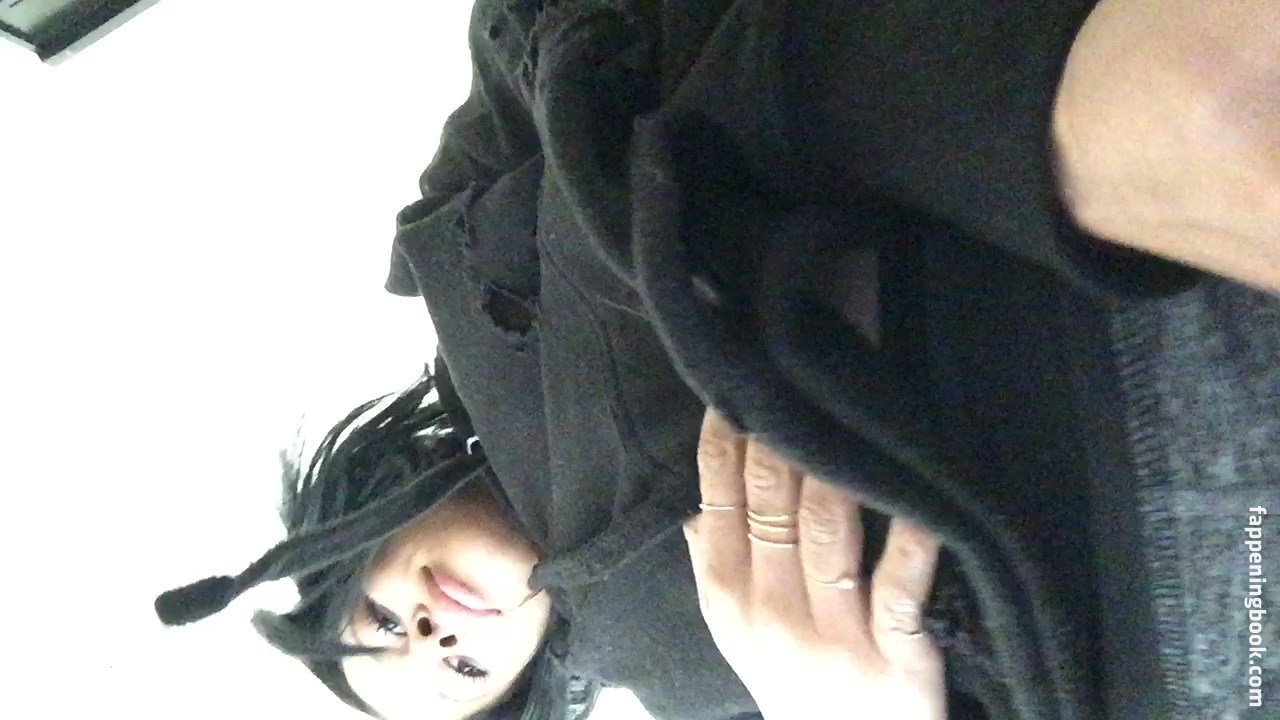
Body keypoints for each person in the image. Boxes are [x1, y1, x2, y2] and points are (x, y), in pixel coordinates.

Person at [156, 0, 1279, 718]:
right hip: (1166, 616)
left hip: (994, 186)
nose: (435, 631)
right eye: (453, 670)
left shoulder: (449, 256)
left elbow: (554, 30)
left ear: (362, 533)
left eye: (382, 624)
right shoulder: (691, 686)